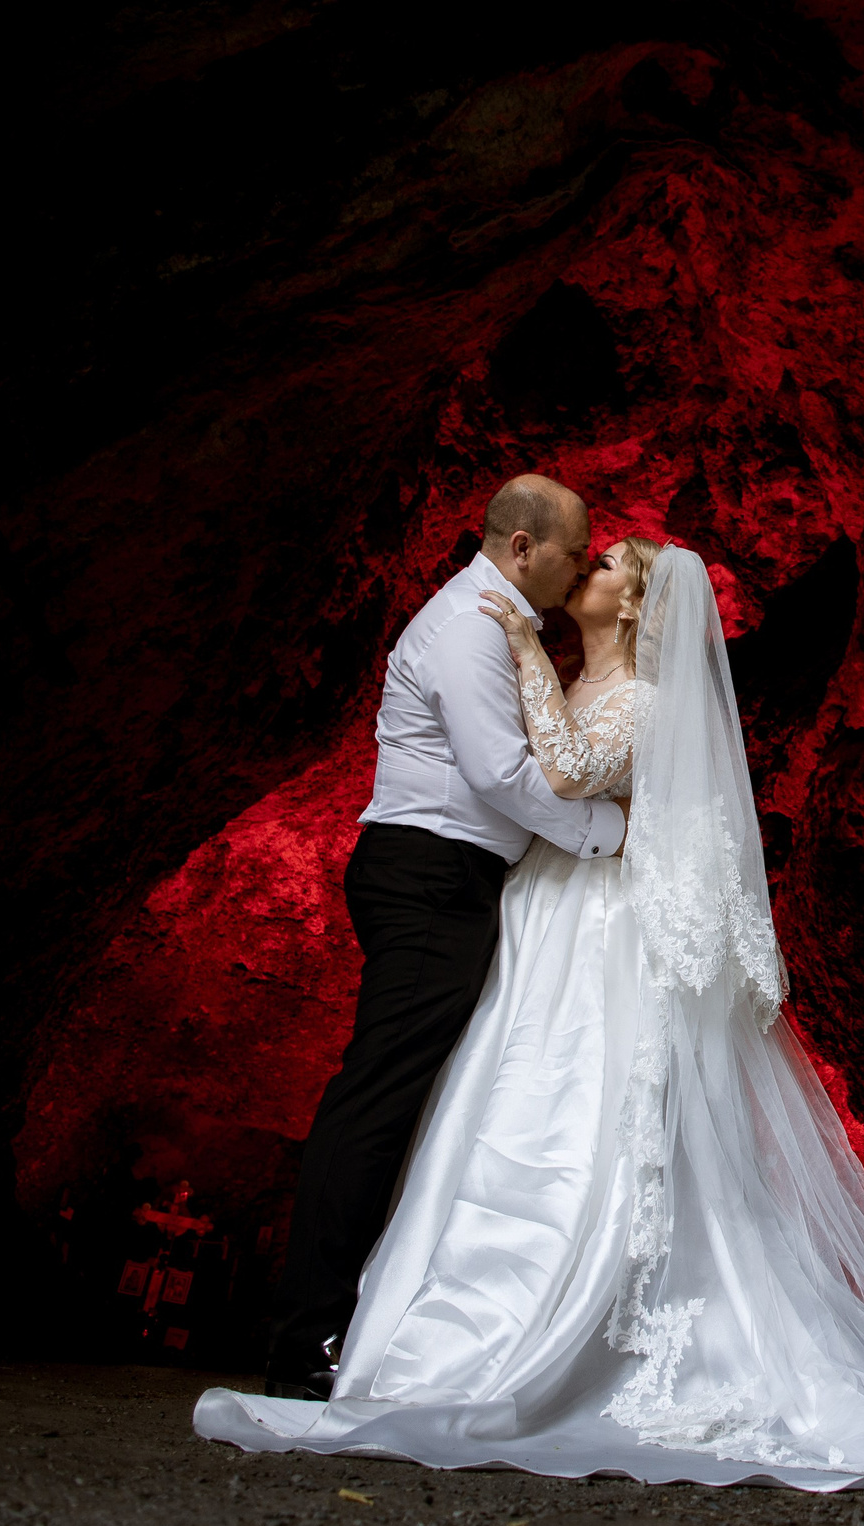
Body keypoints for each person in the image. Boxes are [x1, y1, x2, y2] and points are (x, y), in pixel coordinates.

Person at [205, 535, 864, 1489]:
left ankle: (563, 1326)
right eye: (587, 560)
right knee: (500, 1104)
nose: (589, 572)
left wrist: (530, 654)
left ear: (631, 606)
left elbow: (573, 764)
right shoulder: (600, 672)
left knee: (577, 1107)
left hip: (594, 922)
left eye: (607, 567)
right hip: (543, 912)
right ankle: (446, 1321)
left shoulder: (640, 697)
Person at [261, 474, 620, 1399]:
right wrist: (607, 836)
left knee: (408, 1102)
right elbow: (499, 773)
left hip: (448, 877)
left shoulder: (496, 621)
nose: (582, 563)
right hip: (429, 876)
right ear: (522, 548)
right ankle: (308, 1340)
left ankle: (355, 1320)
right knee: (376, 1101)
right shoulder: (468, 626)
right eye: (576, 549)